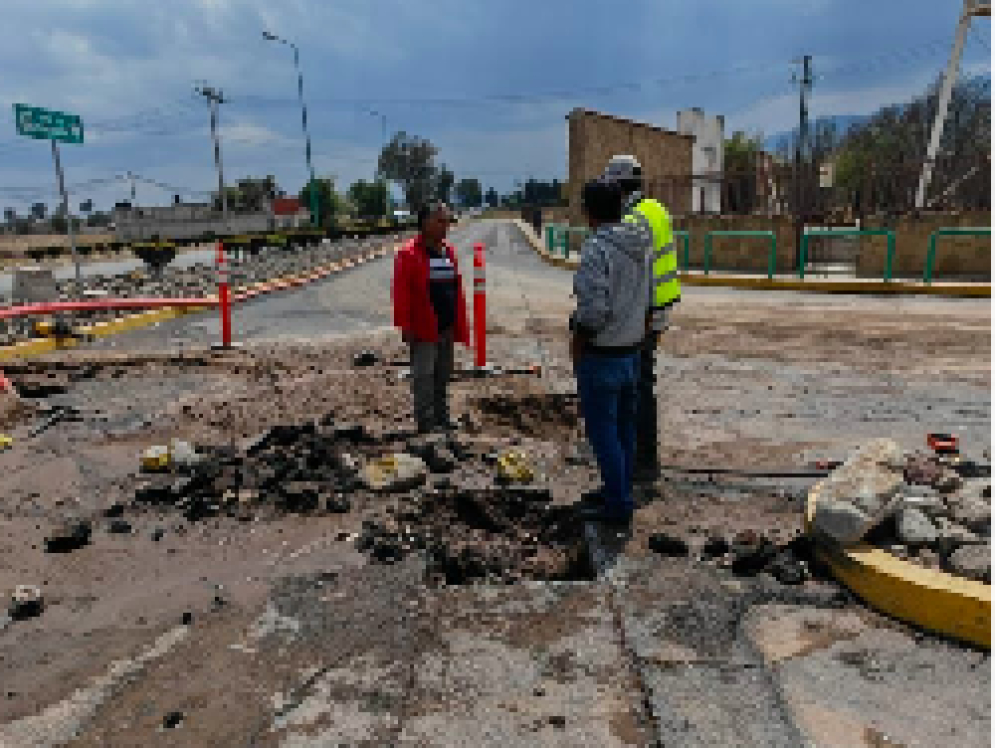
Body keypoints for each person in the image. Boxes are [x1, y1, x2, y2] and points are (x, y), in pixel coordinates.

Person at [570, 176, 653, 524]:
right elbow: (649, 302)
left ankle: (617, 506)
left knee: (603, 433)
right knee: (623, 431)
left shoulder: (596, 250)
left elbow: (593, 312)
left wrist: (578, 342)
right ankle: (619, 491)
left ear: (589, 213)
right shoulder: (641, 245)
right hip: (631, 353)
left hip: (602, 355)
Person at [602, 155, 681, 483]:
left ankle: (642, 462)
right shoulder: (656, 209)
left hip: (645, 313)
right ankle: (642, 458)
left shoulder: (633, 219)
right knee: (642, 382)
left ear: (619, 186)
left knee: (636, 388)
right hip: (660, 307)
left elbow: (634, 274)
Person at [392, 201, 470, 434]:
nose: (446, 226)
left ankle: (442, 418)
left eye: (447, 221)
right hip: (423, 326)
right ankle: (426, 422)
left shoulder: (449, 252)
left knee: (442, 374)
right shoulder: (408, 254)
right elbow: (401, 293)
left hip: (446, 326)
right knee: (423, 375)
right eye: (440, 221)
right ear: (425, 223)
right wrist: (405, 326)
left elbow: (454, 288)